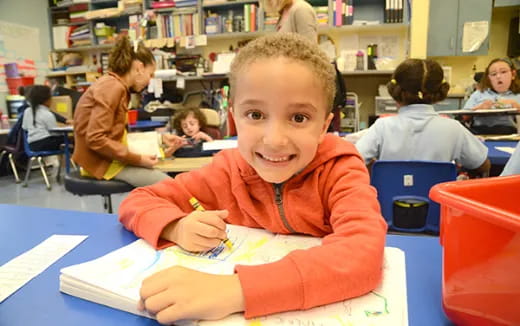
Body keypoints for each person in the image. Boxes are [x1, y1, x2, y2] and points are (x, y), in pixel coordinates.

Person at [118, 33, 387, 324]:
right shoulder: (226, 170)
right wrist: (175, 226)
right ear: (234, 118)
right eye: (256, 114)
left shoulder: (340, 170)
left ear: (324, 127)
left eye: (299, 118)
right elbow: (139, 200)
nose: (274, 140)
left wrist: (233, 291)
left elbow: (362, 254)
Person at [72, 36, 180, 187]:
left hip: (107, 160)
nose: (150, 81)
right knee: (171, 187)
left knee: (163, 179)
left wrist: (159, 140)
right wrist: (138, 159)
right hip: (103, 164)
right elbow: (96, 138)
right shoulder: (112, 87)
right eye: (150, 74)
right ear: (138, 67)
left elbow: (115, 136)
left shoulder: (115, 85)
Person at [356, 58, 491, 177]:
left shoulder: (382, 127)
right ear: (439, 92)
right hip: (438, 204)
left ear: (395, 90)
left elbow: (354, 161)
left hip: (387, 204)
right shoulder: (454, 129)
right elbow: (483, 165)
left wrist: (374, 169)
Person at [463, 58, 520, 135]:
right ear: (489, 78)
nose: (498, 77)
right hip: (479, 133)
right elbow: (463, 117)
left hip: (510, 135)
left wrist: (516, 106)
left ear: (513, 75)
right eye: (493, 74)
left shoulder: (517, 96)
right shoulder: (479, 94)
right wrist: (479, 109)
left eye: (503, 72)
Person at [21, 85, 72, 151]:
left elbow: (24, 127)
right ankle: (70, 160)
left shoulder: (27, 111)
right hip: (46, 144)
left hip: (32, 145)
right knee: (70, 141)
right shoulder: (47, 114)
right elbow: (55, 133)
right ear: (46, 100)